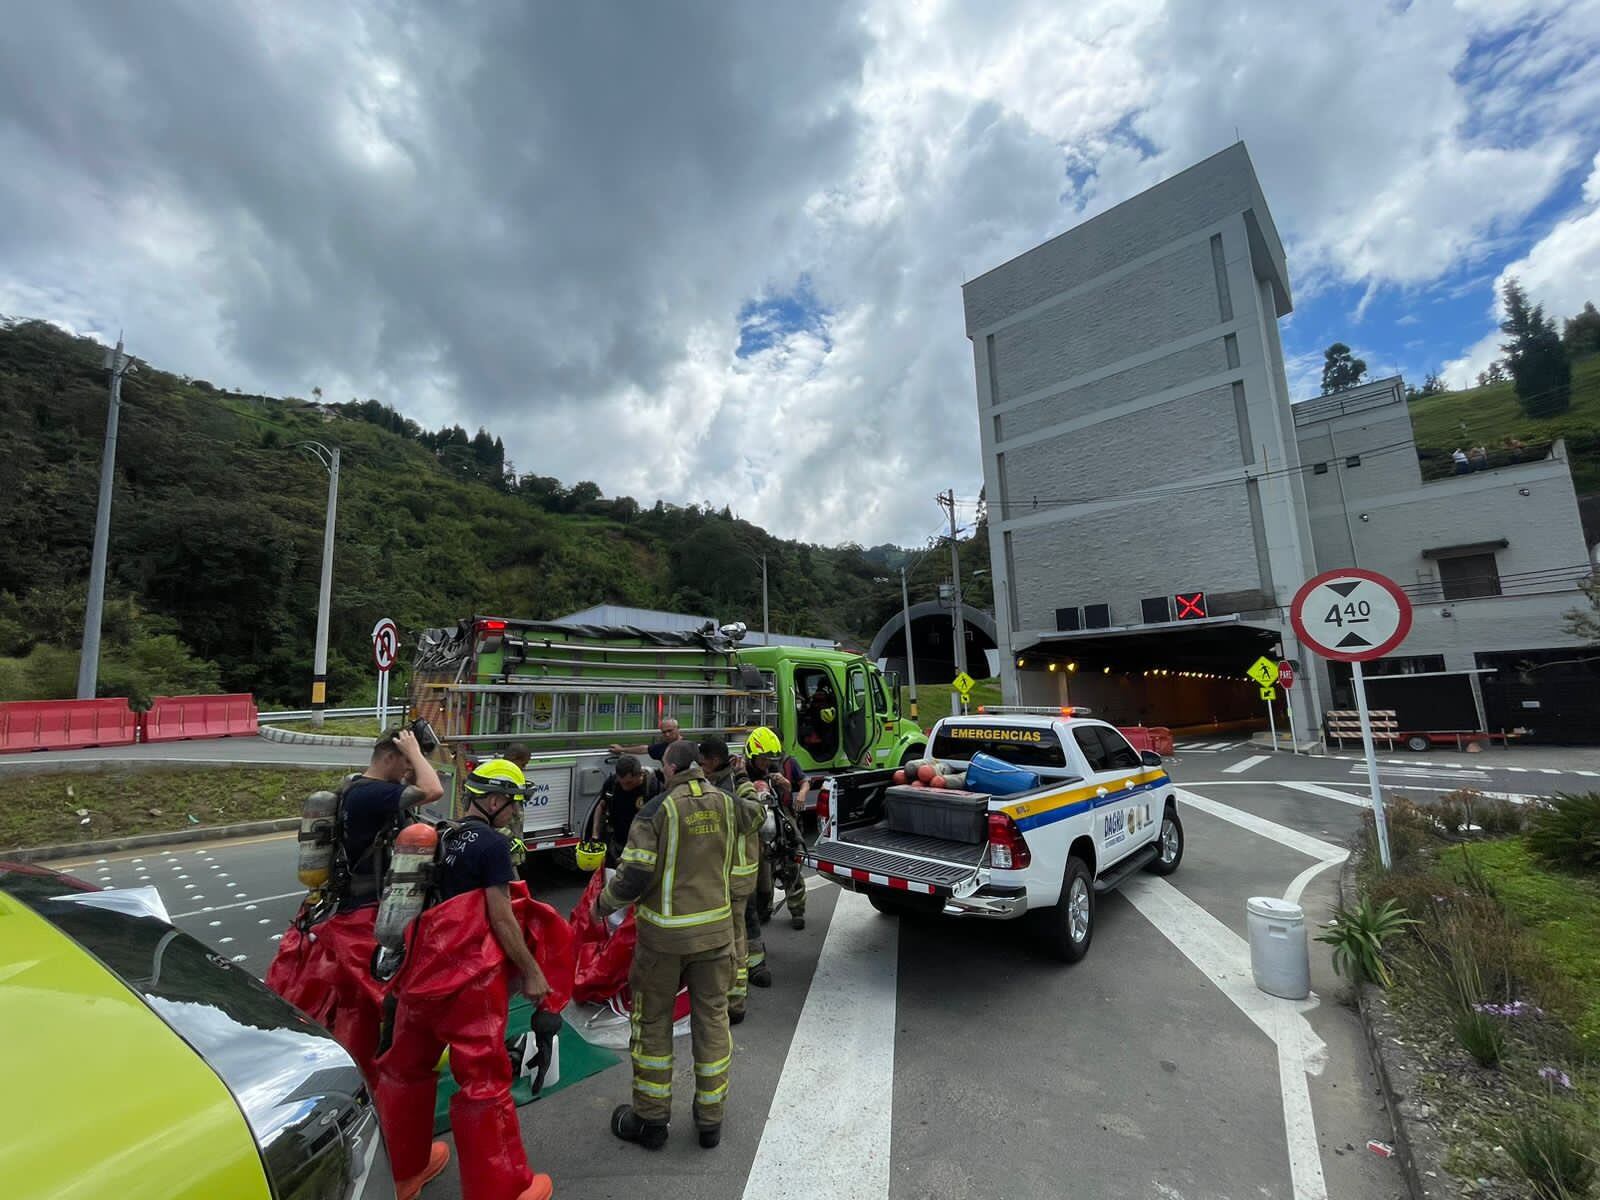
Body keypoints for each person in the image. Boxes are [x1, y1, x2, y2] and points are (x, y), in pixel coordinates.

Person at [372, 758, 556, 1200]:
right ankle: (501, 1190)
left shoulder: (443, 834)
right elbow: (501, 916)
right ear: (493, 800)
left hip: (418, 976)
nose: (514, 812)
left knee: (405, 1071)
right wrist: (532, 972)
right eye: (511, 803)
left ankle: (404, 1173)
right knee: (483, 1085)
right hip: (468, 982)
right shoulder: (492, 845)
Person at [595, 739, 765, 1151]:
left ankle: (651, 1121)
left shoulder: (657, 811)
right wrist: (743, 778)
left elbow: (633, 876)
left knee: (652, 1025)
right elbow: (758, 816)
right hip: (716, 937)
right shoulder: (726, 803)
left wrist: (602, 905)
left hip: (664, 942)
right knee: (713, 1022)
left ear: (671, 769)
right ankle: (711, 1119)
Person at [266, 728, 443, 1082]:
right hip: (364, 915)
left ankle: (359, 1069)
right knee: (389, 997)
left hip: (349, 909)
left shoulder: (353, 787)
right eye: (405, 763)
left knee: (356, 1006)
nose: (408, 772)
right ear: (389, 757)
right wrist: (415, 751)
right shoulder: (374, 793)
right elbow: (433, 790)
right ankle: (393, 1077)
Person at [698, 735, 765, 1021]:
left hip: (730, 874)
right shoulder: (733, 782)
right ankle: (735, 995)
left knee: (732, 937)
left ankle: (735, 1001)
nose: (700, 766)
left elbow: (755, 815)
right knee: (737, 932)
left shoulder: (724, 788)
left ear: (713, 760)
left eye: (703, 761)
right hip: (739, 872)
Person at [747, 727, 809, 931]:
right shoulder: (741, 773)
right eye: (763, 759)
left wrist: (787, 786)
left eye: (770, 759)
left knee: (790, 866)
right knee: (762, 873)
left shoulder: (786, 763)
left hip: (781, 820)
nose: (767, 764)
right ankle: (763, 909)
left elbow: (801, 784)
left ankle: (797, 910)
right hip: (755, 826)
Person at [586, 755, 660, 865]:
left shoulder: (652, 788)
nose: (625, 787)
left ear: (640, 774)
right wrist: (595, 834)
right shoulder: (612, 783)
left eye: (629, 783)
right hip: (616, 842)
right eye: (621, 782)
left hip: (640, 848)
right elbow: (601, 806)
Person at [609, 717, 681, 763]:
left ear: (678, 728)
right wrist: (621, 749)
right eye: (664, 732)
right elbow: (644, 749)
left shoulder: (689, 746)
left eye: (670, 731)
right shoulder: (663, 747)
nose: (667, 734)